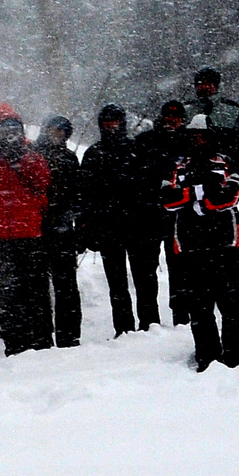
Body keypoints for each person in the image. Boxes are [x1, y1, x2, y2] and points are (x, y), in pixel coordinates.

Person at [163, 115, 239, 370]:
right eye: (193, 136)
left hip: (225, 242)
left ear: (211, 136)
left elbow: (230, 197)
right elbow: (168, 200)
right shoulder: (177, 166)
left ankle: (237, 354)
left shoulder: (226, 163)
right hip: (190, 245)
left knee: (231, 302)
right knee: (199, 307)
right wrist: (202, 193)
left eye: (202, 135)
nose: (198, 140)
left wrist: (195, 201)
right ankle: (206, 356)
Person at [0, 104, 53, 355]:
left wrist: (20, 158)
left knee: (35, 292)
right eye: (3, 129)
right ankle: (14, 345)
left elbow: (43, 181)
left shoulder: (32, 154)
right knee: (6, 293)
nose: (9, 134)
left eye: (13, 128)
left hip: (29, 233)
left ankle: (42, 343)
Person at [82, 104, 159, 335]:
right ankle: (123, 328)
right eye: (106, 121)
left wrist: (152, 220)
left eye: (115, 120)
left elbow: (150, 188)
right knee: (116, 283)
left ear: (122, 122)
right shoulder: (94, 153)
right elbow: (85, 194)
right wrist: (88, 227)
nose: (110, 125)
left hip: (138, 225)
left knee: (144, 279)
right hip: (108, 228)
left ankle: (150, 324)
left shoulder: (137, 149)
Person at [135, 101, 189, 324]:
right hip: (149, 214)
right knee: (146, 270)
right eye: (168, 115)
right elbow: (134, 176)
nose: (171, 119)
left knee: (180, 269)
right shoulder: (145, 141)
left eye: (176, 116)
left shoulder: (190, 141)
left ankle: (182, 317)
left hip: (180, 216)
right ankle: (148, 321)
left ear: (182, 119)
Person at [33, 115, 83, 348]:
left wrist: (76, 222)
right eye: (53, 129)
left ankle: (69, 335)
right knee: (38, 285)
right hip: (36, 228)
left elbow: (78, 193)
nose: (57, 134)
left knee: (66, 285)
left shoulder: (69, 157)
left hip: (62, 228)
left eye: (61, 131)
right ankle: (42, 335)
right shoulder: (31, 156)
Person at [188, 67, 239, 168]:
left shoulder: (232, 110)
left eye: (209, 84)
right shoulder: (184, 110)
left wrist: (232, 162)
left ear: (216, 86)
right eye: (201, 83)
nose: (205, 87)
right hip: (187, 168)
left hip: (223, 169)